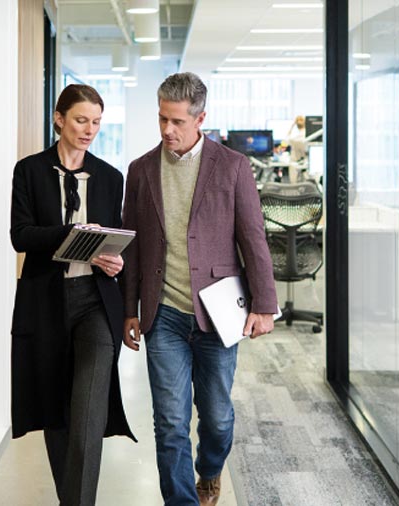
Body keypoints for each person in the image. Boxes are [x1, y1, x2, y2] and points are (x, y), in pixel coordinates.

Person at [120, 72, 278, 505]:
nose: (167, 130)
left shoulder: (232, 166)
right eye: (162, 119)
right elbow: (132, 245)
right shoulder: (140, 170)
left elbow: (253, 237)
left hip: (218, 314)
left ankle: (209, 469)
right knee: (170, 422)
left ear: (200, 119)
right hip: (163, 314)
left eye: (177, 121)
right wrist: (129, 308)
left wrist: (264, 305)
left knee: (217, 418)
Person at [10, 83, 135, 506]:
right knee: (56, 410)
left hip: (95, 302)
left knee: (88, 413)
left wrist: (112, 261)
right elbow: (21, 236)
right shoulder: (29, 171)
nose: (89, 130)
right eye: (81, 120)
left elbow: (113, 239)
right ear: (59, 119)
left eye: (96, 122)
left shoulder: (110, 177)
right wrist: (74, 235)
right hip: (44, 303)